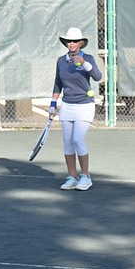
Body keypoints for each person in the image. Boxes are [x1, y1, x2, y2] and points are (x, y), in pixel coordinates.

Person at [51, 27, 102, 191]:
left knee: (78, 140)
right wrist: (53, 104)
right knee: (67, 143)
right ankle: (72, 177)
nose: (71, 44)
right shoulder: (61, 61)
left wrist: (84, 64)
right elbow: (58, 83)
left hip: (85, 105)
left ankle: (85, 176)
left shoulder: (88, 58)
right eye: (69, 41)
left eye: (74, 41)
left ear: (80, 43)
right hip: (67, 105)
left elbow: (98, 77)